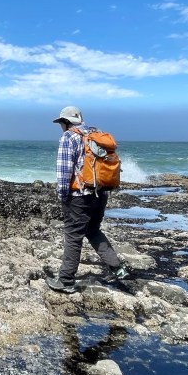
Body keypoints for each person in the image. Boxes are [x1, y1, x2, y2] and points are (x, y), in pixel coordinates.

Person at [46, 105, 130, 294]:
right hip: (101, 193)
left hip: (79, 197)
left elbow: (64, 170)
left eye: (61, 123)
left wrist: (63, 195)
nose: (61, 127)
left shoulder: (69, 137)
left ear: (65, 122)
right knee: (92, 230)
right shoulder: (96, 133)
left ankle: (66, 280)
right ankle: (118, 268)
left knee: (73, 236)